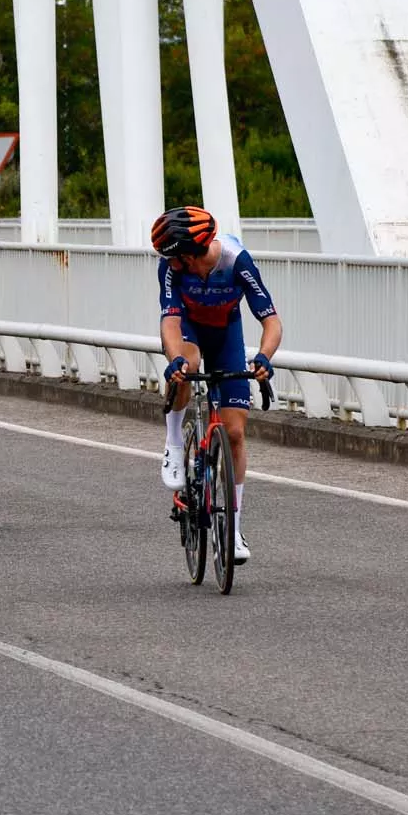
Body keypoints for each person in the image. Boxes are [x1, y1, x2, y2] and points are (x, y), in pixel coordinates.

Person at [153, 206, 281, 563]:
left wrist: (265, 357)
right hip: (189, 331)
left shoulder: (235, 261)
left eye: (174, 258)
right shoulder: (171, 268)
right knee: (188, 365)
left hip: (226, 334)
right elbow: (169, 322)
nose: (170, 264)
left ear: (190, 254)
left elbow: (271, 320)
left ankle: (235, 529)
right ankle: (174, 442)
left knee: (236, 433)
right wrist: (174, 359)